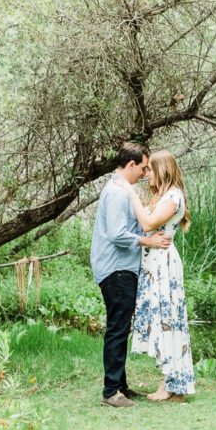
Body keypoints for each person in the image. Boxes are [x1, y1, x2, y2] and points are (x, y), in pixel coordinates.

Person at [90, 142, 171, 408]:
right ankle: (111, 392)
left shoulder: (123, 191)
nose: (145, 173)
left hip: (122, 268)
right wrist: (147, 242)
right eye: (144, 167)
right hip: (116, 269)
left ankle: (120, 386)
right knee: (117, 328)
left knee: (120, 327)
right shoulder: (116, 192)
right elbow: (116, 234)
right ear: (132, 164)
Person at [114, 150, 195, 402]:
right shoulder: (162, 195)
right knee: (160, 320)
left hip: (164, 264)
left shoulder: (174, 196)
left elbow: (149, 224)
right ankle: (169, 381)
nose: (146, 173)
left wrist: (130, 193)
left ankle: (171, 385)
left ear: (162, 170)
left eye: (150, 169)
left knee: (168, 320)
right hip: (152, 264)